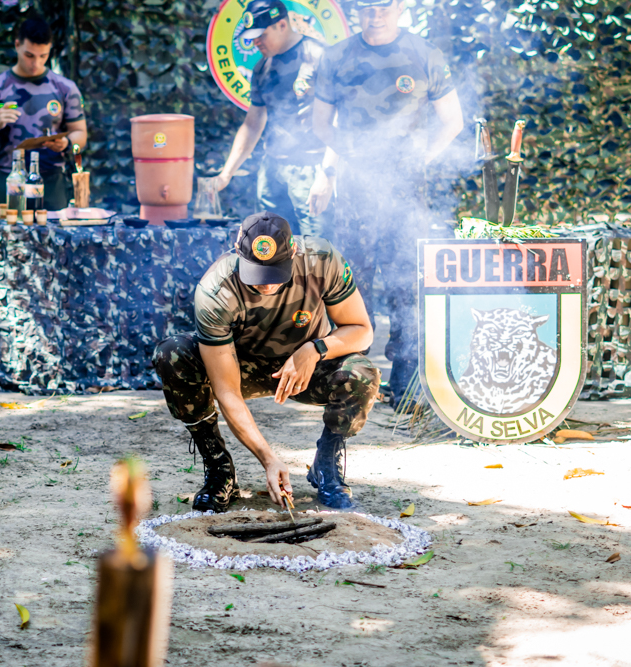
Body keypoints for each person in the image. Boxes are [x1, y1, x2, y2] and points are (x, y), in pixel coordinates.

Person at [152, 213, 380, 511]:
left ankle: (326, 461)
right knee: (173, 355)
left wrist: (315, 349)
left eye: (276, 272)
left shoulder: (322, 262)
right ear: (237, 249)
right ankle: (219, 470)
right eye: (256, 273)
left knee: (362, 373)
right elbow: (228, 391)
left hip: (304, 369)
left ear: (294, 251)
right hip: (240, 368)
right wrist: (269, 460)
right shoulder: (216, 290)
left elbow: (362, 331)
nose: (266, 285)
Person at [312, 0, 464, 408]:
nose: (374, 13)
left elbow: (454, 120)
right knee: (352, 286)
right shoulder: (336, 57)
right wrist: (350, 157)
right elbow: (320, 122)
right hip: (355, 194)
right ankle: (351, 380)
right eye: (365, 6)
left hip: (407, 192)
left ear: (400, 7)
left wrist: (419, 161)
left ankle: (407, 383)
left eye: (383, 5)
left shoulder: (424, 55)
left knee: (406, 285)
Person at [211, 0, 332, 237]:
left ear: (282, 25)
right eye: (251, 36)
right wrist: (227, 172)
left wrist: (327, 175)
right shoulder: (260, 68)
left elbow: (338, 119)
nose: (255, 42)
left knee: (318, 254)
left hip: (312, 169)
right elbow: (253, 123)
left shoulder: (319, 57)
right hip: (273, 170)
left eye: (261, 35)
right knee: (272, 252)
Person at [0, 16, 87, 211]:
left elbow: (80, 134)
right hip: (9, 178)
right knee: (9, 238)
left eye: (43, 56)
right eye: (29, 55)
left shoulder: (65, 88)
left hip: (51, 180)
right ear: (17, 45)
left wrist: (68, 144)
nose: (35, 64)